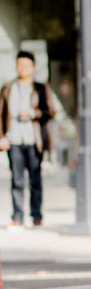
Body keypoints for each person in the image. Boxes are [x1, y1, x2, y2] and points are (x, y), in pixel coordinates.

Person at [1, 51, 55, 228]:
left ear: (32, 68)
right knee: (16, 180)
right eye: (19, 64)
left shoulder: (40, 88)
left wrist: (33, 114)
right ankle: (17, 216)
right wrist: (2, 137)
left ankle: (36, 215)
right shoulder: (8, 88)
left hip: (34, 140)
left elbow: (50, 112)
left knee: (35, 179)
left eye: (25, 65)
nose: (21, 68)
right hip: (14, 140)